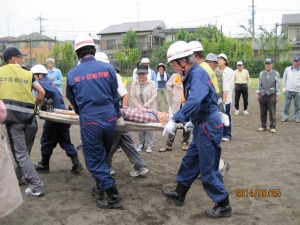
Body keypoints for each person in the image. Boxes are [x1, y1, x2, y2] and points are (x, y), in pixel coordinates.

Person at [162, 41, 232, 218]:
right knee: (190, 161)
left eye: (174, 64)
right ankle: (180, 193)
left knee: (208, 168)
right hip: (202, 124)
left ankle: (223, 204)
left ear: (184, 61)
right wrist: (192, 120)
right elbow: (201, 101)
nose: (174, 68)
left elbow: (195, 100)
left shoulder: (198, 74)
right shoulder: (193, 73)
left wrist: (176, 119)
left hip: (207, 126)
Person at [66, 35, 124, 208]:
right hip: (109, 118)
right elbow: (115, 96)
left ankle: (114, 196)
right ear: (93, 50)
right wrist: (117, 114)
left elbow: (72, 98)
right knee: (103, 155)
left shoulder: (72, 73)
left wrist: (80, 111)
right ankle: (100, 187)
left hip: (91, 120)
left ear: (78, 53)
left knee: (93, 160)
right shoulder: (108, 69)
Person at [0, 47, 45, 197]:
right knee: (24, 153)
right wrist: (34, 107)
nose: (23, 59)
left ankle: (36, 186)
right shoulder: (28, 74)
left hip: (14, 121)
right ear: (13, 58)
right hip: (31, 120)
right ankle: (17, 178)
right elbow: (41, 93)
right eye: (21, 57)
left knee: (20, 154)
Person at [31, 64, 83, 174]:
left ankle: (44, 164)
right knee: (64, 140)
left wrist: (38, 106)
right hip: (61, 116)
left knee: (46, 140)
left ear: (40, 75)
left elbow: (43, 95)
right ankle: (76, 163)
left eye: (34, 75)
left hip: (54, 117)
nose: (33, 78)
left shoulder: (43, 83)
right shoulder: (49, 82)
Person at [105, 59, 149, 177]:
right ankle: (140, 166)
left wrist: (122, 112)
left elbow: (125, 95)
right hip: (116, 113)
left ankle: (106, 166)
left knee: (112, 142)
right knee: (126, 140)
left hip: (115, 114)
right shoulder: (112, 75)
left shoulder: (114, 76)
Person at [205, 53, 231, 177]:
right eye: (208, 62)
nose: (209, 64)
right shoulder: (204, 73)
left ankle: (220, 166)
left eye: (212, 62)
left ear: (215, 64)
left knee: (212, 141)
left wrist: (223, 106)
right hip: (208, 109)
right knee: (205, 142)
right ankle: (208, 168)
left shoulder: (220, 74)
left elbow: (224, 90)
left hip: (216, 108)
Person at [159, 72, 191, 152]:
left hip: (186, 104)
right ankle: (169, 144)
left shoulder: (190, 75)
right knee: (173, 122)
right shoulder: (175, 76)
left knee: (186, 124)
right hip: (176, 104)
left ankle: (185, 142)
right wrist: (172, 91)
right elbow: (168, 85)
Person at [130, 64, 157, 153]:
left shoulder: (152, 83)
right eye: (139, 74)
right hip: (139, 109)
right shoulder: (134, 83)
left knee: (149, 126)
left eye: (143, 73)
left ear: (146, 74)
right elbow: (132, 96)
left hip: (150, 108)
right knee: (140, 126)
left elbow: (154, 96)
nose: (141, 75)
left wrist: (145, 105)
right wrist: (139, 106)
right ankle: (141, 143)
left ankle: (149, 145)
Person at [256, 58, 280, 133]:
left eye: (269, 64)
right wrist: (258, 93)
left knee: (272, 111)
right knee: (262, 111)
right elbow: (259, 84)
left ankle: (272, 126)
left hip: (271, 94)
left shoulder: (276, 73)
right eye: (266, 64)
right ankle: (263, 126)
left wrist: (277, 95)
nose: (267, 65)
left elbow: (278, 85)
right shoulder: (261, 73)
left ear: (272, 65)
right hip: (263, 94)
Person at [217, 53, 234, 142]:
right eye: (218, 59)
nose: (219, 60)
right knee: (219, 115)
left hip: (227, 97)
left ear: (225, 61)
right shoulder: (216, 70)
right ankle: (220, 133)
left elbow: (230, 86)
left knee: (227, 114)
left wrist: (225, 97)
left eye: (221, 59)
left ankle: (227, 134)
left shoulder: (230, 71)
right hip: (218, 97)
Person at [281, 56, 300, 123]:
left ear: (299, 62)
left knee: (297, 105)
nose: (295, 62)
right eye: (294, 61)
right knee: (286, 104)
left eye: (297, 61)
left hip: (297, 91)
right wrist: (284, 87)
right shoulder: (287, 69)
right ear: (293, 61)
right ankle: (285, 117)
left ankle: (296, 117)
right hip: (288, 90)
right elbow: (284, 78)